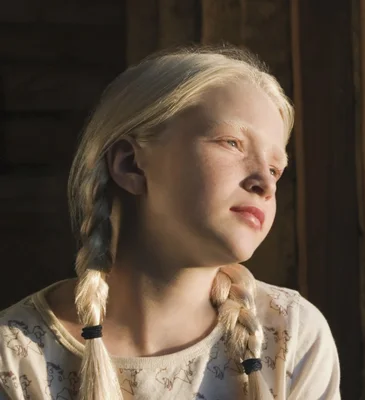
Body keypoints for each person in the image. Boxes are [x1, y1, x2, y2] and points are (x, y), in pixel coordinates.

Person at [0, 47, 341, 400]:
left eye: (275, 169)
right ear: (131, 165)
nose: (265, 183)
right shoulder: (17, 355)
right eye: (233, 143)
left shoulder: (290, 335)